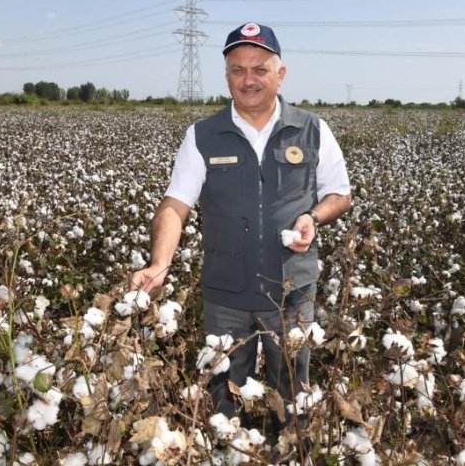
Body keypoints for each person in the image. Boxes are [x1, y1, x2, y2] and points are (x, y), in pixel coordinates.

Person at [131, 22, 351, 439]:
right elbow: (175, 205)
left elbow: (340, 194)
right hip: (226, 296)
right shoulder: (202, 135)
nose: (248, 79)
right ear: (227, 75)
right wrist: (159, 264)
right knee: (224, 401)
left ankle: (292, 452)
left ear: (280, 74)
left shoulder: (312, 129)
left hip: (291, 293)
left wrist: (314, 216)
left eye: (260, 69)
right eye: (238, 69)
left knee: (294, 395)